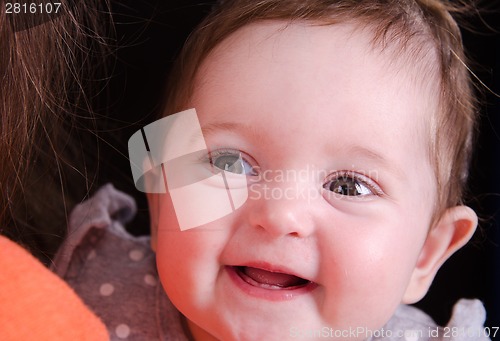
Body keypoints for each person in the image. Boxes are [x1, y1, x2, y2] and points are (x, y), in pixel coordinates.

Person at [54, 0, 491, 340]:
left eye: (349, 185)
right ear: (160, 196)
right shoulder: (82, 289)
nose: (280, 215)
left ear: (425, 255)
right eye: (229, 162)